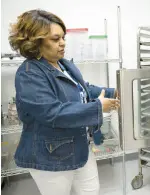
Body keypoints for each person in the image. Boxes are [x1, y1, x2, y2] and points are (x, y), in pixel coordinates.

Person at [8, 9, 120, 195]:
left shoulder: (63, 64)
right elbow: (53, 113)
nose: (62, 43)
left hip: (79, 145)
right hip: (50, 154)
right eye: (55, 39)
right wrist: (98, 107)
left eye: (63, 37)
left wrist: (113, 92)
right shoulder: (29, 73)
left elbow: (83, 88)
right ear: (36, 42)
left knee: (91, 191)